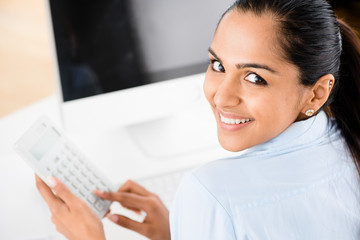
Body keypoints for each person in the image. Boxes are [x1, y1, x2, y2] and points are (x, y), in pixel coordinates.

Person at [35, 0, 360, 239]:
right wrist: (179, 231)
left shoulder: (211, 193)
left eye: (255, 78)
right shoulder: (350, 146)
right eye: (218, 65)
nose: (221, 97)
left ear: (316, 94)